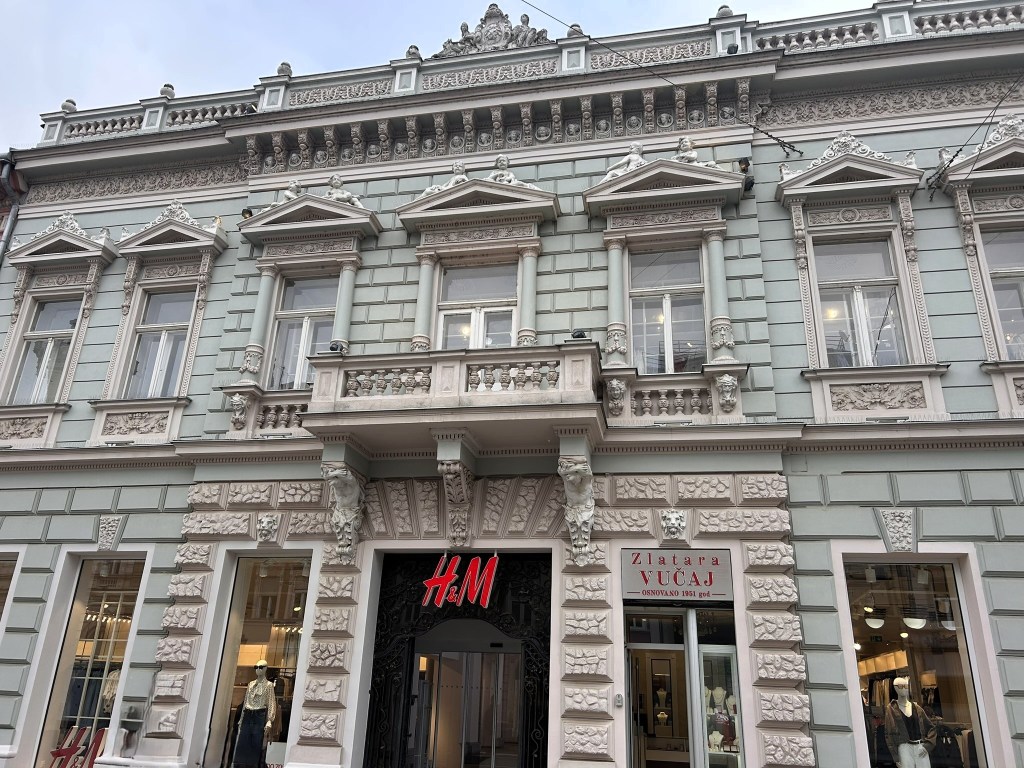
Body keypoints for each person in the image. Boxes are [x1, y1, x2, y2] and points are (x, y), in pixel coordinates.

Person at [232, 660, 276, 768]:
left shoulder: (269, 685)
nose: (258, 669)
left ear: (265, 669)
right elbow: (246, 701)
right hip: (248, 713)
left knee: (256, 743)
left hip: (259, 714)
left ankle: (253, 765)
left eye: (261, 667)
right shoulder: (251, 684)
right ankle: (240, 765)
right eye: (256, 667)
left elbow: (271, 702)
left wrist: (270, 720)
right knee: (243, 742)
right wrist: (241, 719)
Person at [884, 677, 936, 768]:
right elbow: (889, 734)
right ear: (895, 688)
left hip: (920, 746)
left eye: (906, 686)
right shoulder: (891, 709)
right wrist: (896, 757)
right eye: (900, 686)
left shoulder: (917, 708)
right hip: (904, 748)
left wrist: (928, 745)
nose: (904, 688)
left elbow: (932, 728)